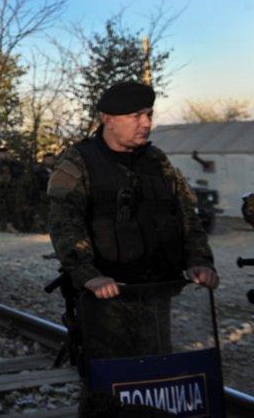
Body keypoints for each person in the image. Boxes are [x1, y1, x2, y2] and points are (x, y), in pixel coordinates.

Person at [48, 81, 218, 363]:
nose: (146, 123)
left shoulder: (157, 161)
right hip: (105, 296)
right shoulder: (79, 162)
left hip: (156, 291)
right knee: (110, 384)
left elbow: (187, 214)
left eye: (149, 115)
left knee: (158, 372)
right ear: (108, 119)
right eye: (136, 116)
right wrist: (88, 275)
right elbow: (64, 224)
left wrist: (200, 260)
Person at [0, 147, 23, 233]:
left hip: (10, 188)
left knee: (10, 206)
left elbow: (18, 172)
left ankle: (9, 226)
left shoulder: (12, 163)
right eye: (2, 153)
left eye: (6, 153)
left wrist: (13, 163)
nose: (4, 155)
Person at [31, 153, 56, 232]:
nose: (50, 161)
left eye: (51, 159)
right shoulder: (39, 169)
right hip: (42, 192)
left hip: (53, 192)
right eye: (48, 159)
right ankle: (42, 227)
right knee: (42, 211)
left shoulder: (56, 169)